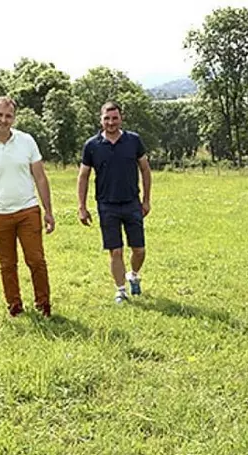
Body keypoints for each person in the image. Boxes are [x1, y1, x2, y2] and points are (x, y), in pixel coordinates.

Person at [0, 96, 55, 317]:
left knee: (36, 260)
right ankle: (14, 306)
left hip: (28, 210)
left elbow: (40, 178)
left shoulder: (27, 141)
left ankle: (43, 304)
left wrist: (48, 211)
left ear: (14, 118)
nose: (3, 120)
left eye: (8, 116)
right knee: (7, 264)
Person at [77, 101, 152, 304]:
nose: (111, 122)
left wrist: (146, 200)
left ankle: (134, 275)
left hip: (132, 203)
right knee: (115, 250)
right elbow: (83, 176)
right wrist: (82, 207)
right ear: (100, 119)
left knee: (139, 249)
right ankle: (120, 290)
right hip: (106, 205)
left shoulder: (133, 141)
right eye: (107, 118)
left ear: (121, 118)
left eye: (114, 118)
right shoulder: (92, 145)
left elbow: (145, 169)